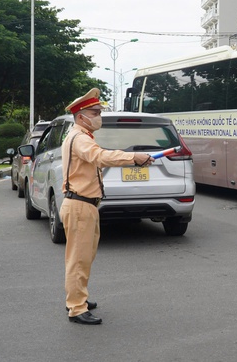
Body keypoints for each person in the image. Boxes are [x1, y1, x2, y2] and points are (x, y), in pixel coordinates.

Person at [61, 88, 154, 325]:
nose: (98, 116)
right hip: (80, 206)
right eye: (95, 112)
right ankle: (76, 308)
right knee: (78, 260)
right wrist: (133, 157)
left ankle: (78, 297)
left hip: (85, 205)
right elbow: (99, 157)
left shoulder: (81, 136)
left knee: (84, 258)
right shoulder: (80, 138)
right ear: (81, 116)